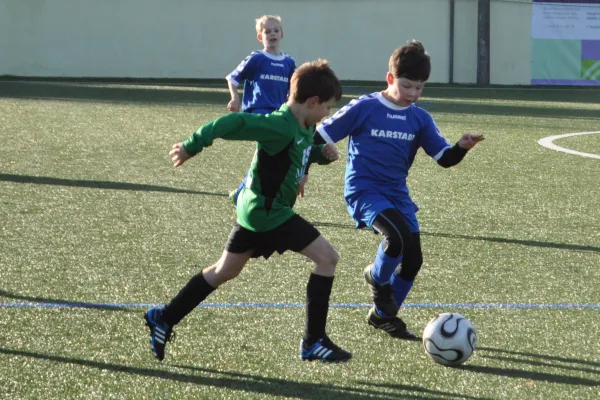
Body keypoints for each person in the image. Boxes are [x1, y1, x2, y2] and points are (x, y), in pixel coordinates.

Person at [144, 59, 352, 363]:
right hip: (270, 213)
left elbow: (298, 153)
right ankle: (313, 341)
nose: (328, 114)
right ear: (313, 101)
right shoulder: (279, 125)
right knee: (327, 258)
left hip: (255, 211)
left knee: (224, 270)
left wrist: (321, 155)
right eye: (328, 108)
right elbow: (233, 123)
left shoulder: (304, 124)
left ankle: (164, 317)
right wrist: (192, 145)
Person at [315, 40, 485, 339]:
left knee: (414, 259)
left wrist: (461, 147)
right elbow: (319, 134)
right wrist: (305, 167)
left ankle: (382, 316)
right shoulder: (365, 106)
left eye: (419, 88)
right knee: (397, 237)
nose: (413, 94)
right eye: (407, 86)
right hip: (364, 191)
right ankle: (379, 284)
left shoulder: (419, 118)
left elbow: (444, 159)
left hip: (396, 195)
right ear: (390, 78)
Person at [226, 15, 296, 205]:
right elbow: (232, 78)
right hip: (259, 114)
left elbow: (294, 88)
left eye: (275, 30)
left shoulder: (289, 62)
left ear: (282, 34)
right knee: (269, 153)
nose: (272, 34)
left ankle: (243, 192)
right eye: (267, 31)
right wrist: (235, 97)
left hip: (279, 115)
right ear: (260, 37)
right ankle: (253, 195)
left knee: (269, 157)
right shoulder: (256, 58)